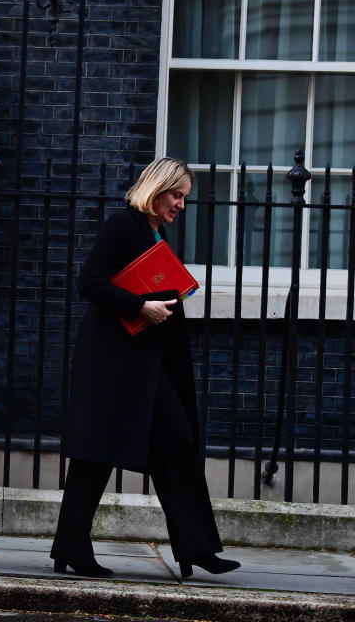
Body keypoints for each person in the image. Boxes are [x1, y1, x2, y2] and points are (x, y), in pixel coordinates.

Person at [51, 157, 240, 579]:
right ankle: (72, 550)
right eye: (177, 195)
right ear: (155, 189)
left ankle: (198, 549)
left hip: (147, 368)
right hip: (113, 364)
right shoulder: (124, 225)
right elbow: (89, 282)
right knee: (94, 458)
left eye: (184, 197)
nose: (181, 205)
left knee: (178, 445)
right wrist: (140, 305)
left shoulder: (156, 231)